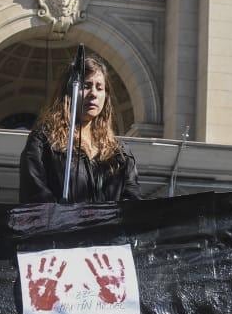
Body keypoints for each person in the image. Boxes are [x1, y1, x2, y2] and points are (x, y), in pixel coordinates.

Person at [19, 54, 141, 203]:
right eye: (86, 86)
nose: (93, 94)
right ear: (68, 92)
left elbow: (132, 201)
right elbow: (34, 194)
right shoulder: (43, 141)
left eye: (99, 88)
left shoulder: (120, 153)